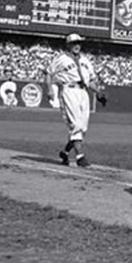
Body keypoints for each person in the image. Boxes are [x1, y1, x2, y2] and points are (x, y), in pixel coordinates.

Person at [45, 33, 104, 167]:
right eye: (74, 43)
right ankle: (79, 156)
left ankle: (65, 153)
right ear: (68, 45)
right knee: (75, 124)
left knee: (82, 127)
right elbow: (48, 73)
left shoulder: (86, 61)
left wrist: (99, 93)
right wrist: (49, 89)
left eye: (78, 43)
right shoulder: (61, 59)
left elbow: (91, 81)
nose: (77, 45)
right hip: (69, 91)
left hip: (83, 92)